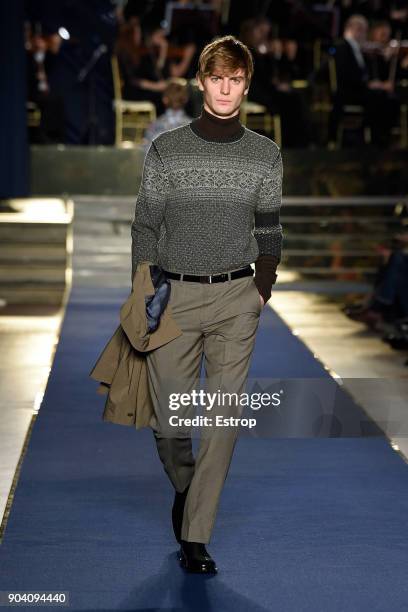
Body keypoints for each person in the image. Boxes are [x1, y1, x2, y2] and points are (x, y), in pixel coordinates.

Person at [131, 34, 283, 574]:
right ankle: (185, 487)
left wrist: (262, 285)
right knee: (169, 423)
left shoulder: (265, 154)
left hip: (237, 297)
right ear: (201, 82)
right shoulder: (166, 151)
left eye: (235, 79)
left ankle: (196, 535)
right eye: (215, 78)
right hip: (174, 295)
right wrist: (141, 292)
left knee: (222, 418)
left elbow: (269, 225)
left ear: (246, 84)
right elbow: (146, 224)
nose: (225, 88)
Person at [142, 78, 193, 153]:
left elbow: (146, 153)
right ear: (185, 99)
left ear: (165, 99)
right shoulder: (195, 128)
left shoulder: (154, 127)